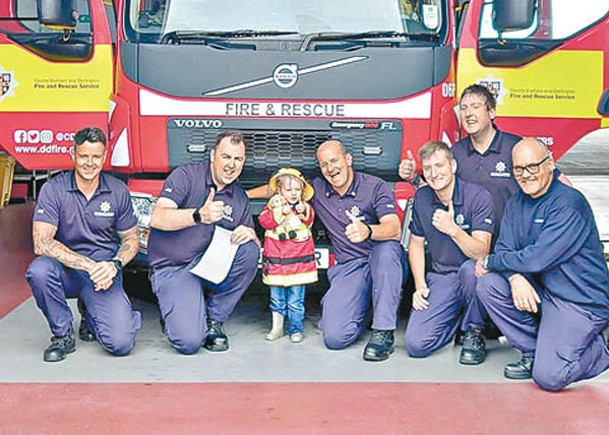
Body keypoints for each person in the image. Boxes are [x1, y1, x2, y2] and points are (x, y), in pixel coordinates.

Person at [249, 140, 407, 361]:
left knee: (387, 252)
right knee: (335, 337)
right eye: (324, 165)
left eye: (334, 161)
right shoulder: (318, 189)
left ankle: (383, 331)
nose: (330, 169)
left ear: (348, 159)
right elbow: (278, 189)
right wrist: (244, 195)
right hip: (350, 267)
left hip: (381, 259)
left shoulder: (375, 186)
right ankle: (369, 305)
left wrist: (367, 230)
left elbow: (394, 229)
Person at [475, 137, 609, 391]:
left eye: (533, 167)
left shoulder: (568, 204)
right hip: (545, 294)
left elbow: (538, 258)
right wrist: (514, 277)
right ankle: (534, 352)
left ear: (550, 163)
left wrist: (492, 260)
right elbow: (506, 247)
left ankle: (604, 344)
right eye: (518, 169)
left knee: (550, 377)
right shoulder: (516, 202)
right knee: (487, 284)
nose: (525, 175)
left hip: (579, 302)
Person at [25, 127, 141, 362]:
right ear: (73, 155)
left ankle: (91, 313)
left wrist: (114, 265)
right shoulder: (53, 190)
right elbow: (42, 243)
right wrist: (89, 265)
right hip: (67, 271)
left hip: (104, 276)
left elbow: (132, 239)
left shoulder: (117, 191)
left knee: (121, 344)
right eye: (83, 156)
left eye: (96, 156)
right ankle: (62, 334)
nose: (90, 163)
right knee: (39, 270)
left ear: (104, 156)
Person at [148, 130, 259, 355]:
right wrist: (198, 215)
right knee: (188, 343)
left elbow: (253, 242)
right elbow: (158, 218)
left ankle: (213, 320)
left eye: (238, 159)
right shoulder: (186, 176)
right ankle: (177, 309)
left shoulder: (239, 197)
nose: (231, 165)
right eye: (226, 157)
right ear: (212, 155)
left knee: (250, 251)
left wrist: (249, 233)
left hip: (208, 267)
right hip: (175, 268)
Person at [404, 141, 494, 364]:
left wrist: (454, 230)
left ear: (453, 166)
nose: (434, 174)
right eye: (427, 169)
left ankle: (474, 331)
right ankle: (457, 321)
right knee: (416, 344)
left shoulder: (478, 196)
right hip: (443, 277)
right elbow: (415, 243)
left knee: (471, 270)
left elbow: (482, 252)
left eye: (439, 166)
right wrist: (420, 286)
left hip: (475, 275)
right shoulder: (423, 198)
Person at [259, 168, 318, 343]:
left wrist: (304, 210)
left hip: (299, 263)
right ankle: (277, 328)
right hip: (277, 262)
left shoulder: (304, 208)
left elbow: (309, 221)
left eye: (297, 190)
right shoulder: (272, 206)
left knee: (295, 301)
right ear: (279, 190)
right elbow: (264, 221)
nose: (293, 193)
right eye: (289, 189)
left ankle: (296, 329)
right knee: (276, 299)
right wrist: (279, 212)